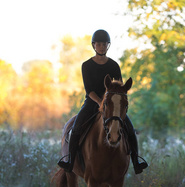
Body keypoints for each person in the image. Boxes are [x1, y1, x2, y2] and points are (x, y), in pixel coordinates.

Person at [58, 29, 148, 174]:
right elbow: (89, 90)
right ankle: (69, 161)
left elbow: (119, 87)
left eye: (104, 44)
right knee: (75, 128)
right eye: (99, 44)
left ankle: (136, 161)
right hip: (92, 102)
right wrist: (101, 102)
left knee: (130, 129)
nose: (101, 46)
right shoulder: (86, 65)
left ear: (108, 45)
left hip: (112, 104)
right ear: (94, 45)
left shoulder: (114, 65)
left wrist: (111, 102)